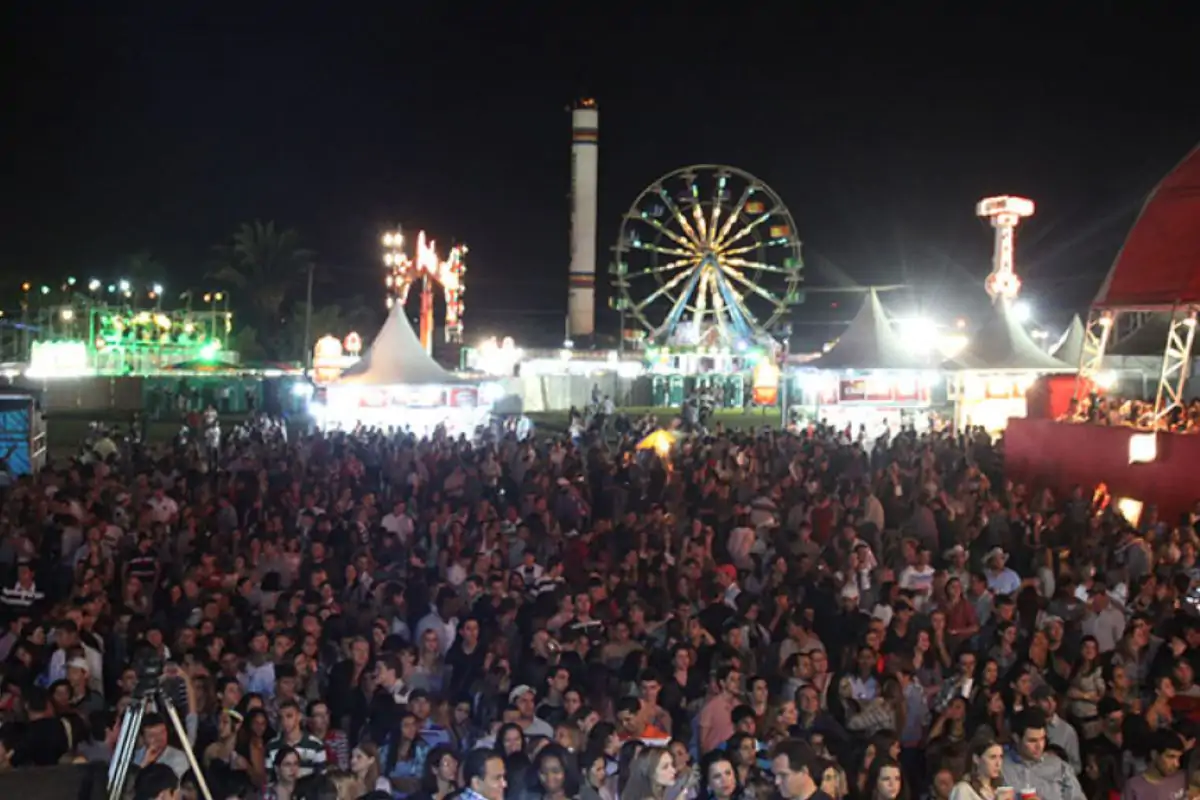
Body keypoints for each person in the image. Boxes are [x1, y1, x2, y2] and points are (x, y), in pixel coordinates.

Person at [1000, 709, 1084, 800]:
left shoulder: (1060, 767)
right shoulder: (1000, 768)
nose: (1039, 746)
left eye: (1042, 739)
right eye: (1032, 741)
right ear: (1016, 738)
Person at [1122, 730, 1186, 800]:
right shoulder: (1133, 786)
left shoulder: (1182, 778)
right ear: (1154, 754)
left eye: (1178, 758)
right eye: (1171, 757)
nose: (1177, 764)